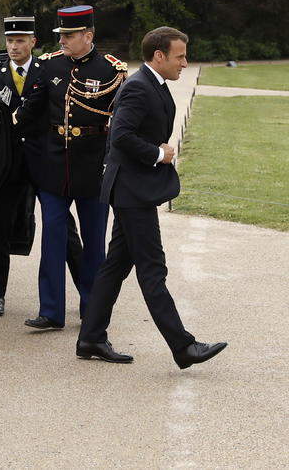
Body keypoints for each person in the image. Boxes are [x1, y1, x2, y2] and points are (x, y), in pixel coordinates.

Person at [76, 27, 227, 368]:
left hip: (133, 190)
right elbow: (121, 136)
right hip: (132, 192)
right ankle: (183, 347)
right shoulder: (139, 88)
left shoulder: (152, 84)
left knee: (115, 266)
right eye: (180, 56)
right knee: (152, 269)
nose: (184, 63)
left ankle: (90, 338)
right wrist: (159, 155)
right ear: (159, 56)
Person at [15, 5, 127, 330]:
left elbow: (119, 124)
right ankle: (51, 311)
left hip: (93, 167)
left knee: (94, 243)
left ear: (88, 36)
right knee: (52, 238)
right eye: (61, 34)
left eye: (69, 35)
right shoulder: (49, 65)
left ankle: (93, 308)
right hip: (53, 166)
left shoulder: (112, 71)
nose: (63, 40)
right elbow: (31, 112)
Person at [0, 16, 84, 317]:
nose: (13, 46)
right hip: (9, 164)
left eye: (20, 41)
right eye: (10, 41)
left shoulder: (48, 70)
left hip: (44, 162)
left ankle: (88, 297)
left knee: (64, 229)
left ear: (32, 43)